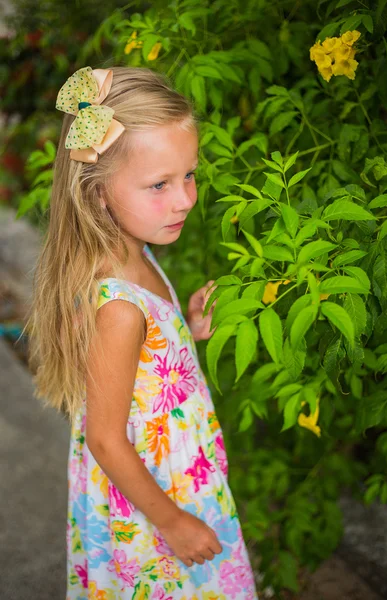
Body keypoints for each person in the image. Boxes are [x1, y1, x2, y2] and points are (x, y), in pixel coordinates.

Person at [25, 65, 259, 599]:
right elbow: (107, 438)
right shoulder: (117, 306)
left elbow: (144, 370)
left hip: (177, 476)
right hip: (155, 502)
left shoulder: (138, 250)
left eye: (189, 175)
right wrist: (174, 522)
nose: (184, 199)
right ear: (98, 191)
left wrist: (188, 330)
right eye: (160, 184)